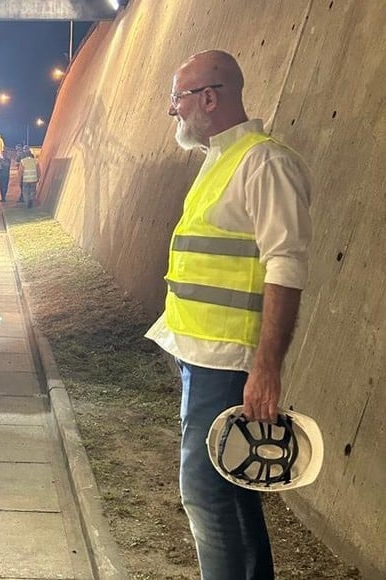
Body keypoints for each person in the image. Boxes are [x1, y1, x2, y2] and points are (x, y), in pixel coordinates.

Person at [145, 50, 312, 580]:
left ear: (209, 98)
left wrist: (266, 369)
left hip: (229, 364)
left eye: (178, 98)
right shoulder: (220, 159)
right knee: (230, 493)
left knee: (206, 497)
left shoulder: (264, 163)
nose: (173, 110)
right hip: (201, 356)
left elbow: (285, 266)